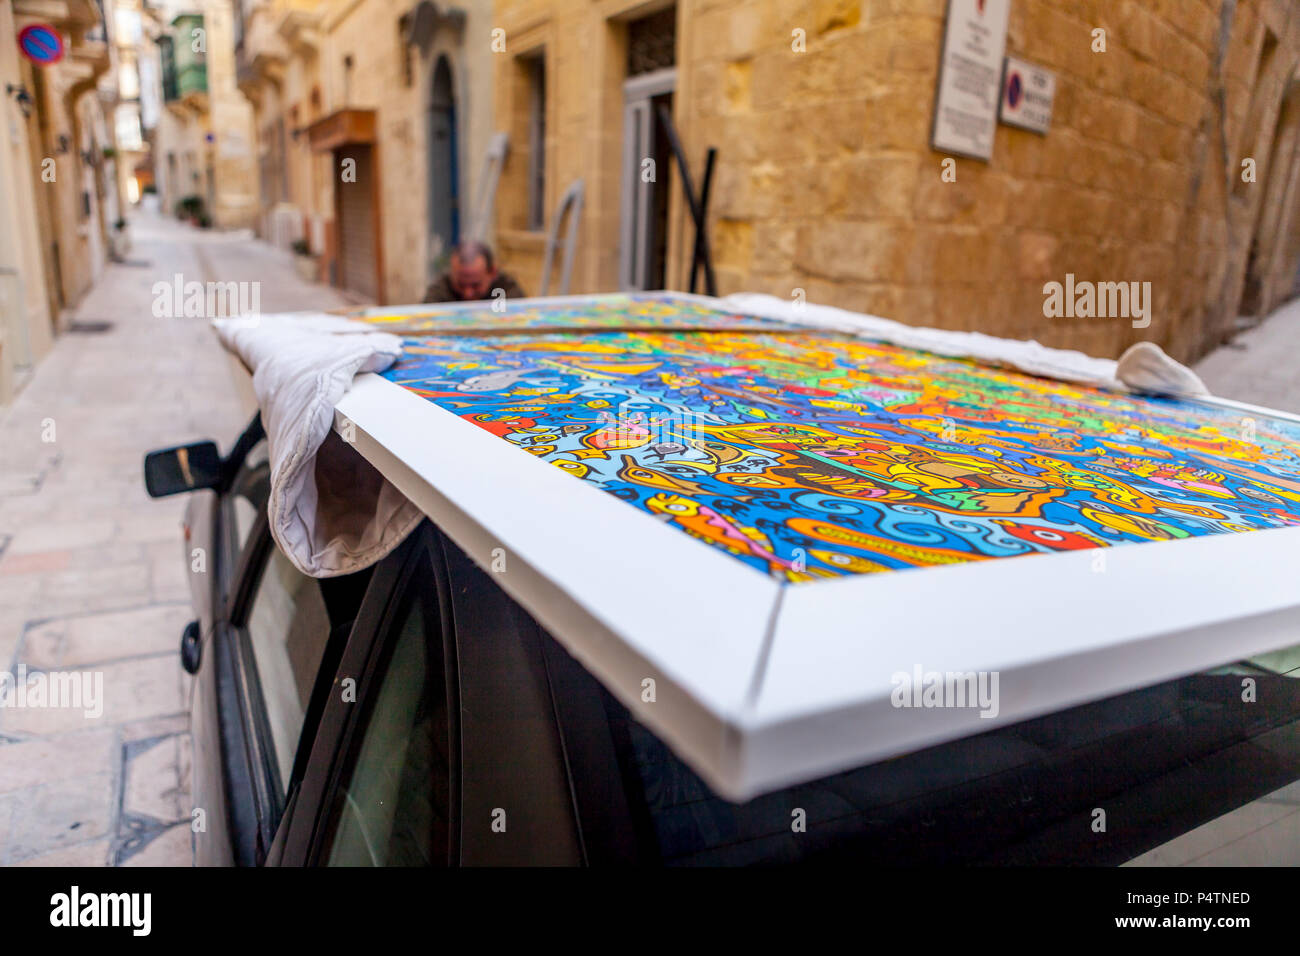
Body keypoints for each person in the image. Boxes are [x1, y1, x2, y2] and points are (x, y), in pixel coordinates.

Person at [422, 240, 527, 304]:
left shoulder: (507, 290)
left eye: (476, 285)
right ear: (452, 274)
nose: (468, 293)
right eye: (461, 285)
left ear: (492, 273)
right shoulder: (440, 290)